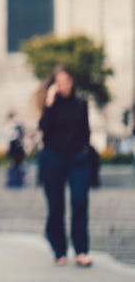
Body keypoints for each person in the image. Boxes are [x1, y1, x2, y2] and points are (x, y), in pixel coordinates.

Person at [35, 66, 93, 267]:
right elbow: (43, 129)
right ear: (53, 86)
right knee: (56, 206)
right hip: (53, 158)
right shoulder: (50, 106)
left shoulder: (80, 103)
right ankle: (59, 250)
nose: (64, 86)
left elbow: (86, 129)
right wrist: (49, 103)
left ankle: (81, 250)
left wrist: (84, 149)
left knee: (79, 202)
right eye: (59, 83)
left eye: (66, 81)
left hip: (77, 159)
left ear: (72, 82)